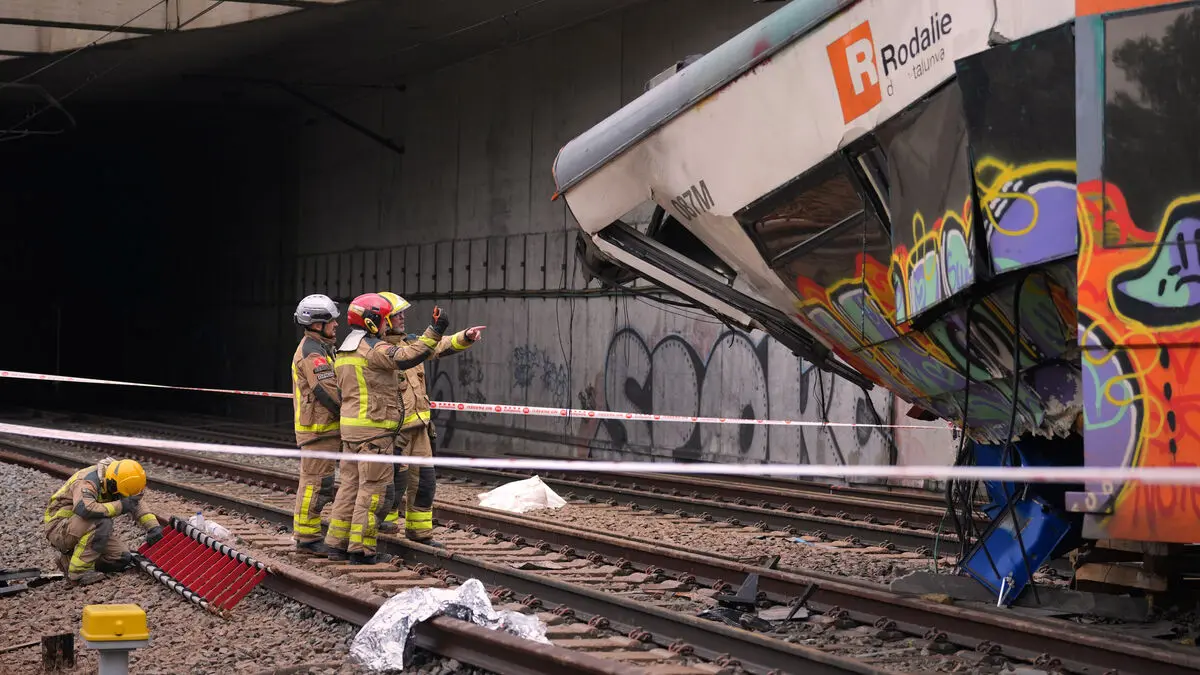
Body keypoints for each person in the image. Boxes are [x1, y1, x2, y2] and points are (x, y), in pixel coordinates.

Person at [323, 292, 448, 564]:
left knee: (349, 489)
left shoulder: (344, 349)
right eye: (382, 320)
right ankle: (362, 550)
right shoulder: (373, 349)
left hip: (352, 433)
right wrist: (435, 330)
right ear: (371, 322)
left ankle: (335, 544)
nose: (385, 325)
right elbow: (405, 356)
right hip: (375, 432)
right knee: (374, 493)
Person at [376, 292, 484, 546]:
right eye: (396, 314)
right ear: (382, 319)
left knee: (424, 485)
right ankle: (382, 533)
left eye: (402, 313)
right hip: (395, 432)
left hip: (420, 430)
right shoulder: (378, 351)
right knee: (393, 487)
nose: (402, 317)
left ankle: (419, 534)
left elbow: (440, 345)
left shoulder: (412, 343)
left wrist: (464, 336)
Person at [44, 457, 163, 585]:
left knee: (121, 558)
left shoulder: (119, 478)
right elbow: (84, 508)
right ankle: (78, 574)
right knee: (102, 522)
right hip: (59, 528)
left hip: (81, 526)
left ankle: (69, 561)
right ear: (112, 483)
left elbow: (134, 502)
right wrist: (121, 505)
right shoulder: (86, 481)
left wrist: (153, 527)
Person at [290, 294, 342, 556]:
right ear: (317, 324)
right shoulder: (312, 352)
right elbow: (326, 390)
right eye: (331, 321)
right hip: (317, 429)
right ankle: (307, 538)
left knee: (319, 482)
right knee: (314, 483)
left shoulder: (320, 347)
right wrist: (350, 411)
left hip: (322, 428)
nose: (336, 325)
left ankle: (309, 533)